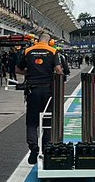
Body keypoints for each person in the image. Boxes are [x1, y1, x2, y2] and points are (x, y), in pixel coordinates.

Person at [17, 31, 63, 163]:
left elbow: (17, 69)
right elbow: (59, 70)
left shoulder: (28, 51)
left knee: (32, 122)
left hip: (32, 90)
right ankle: (46, 150)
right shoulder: (52, 51)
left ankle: (33, 146)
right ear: (49, 41)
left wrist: (29, 72)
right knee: (48, 122)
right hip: (48, 90)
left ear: (38, 40)